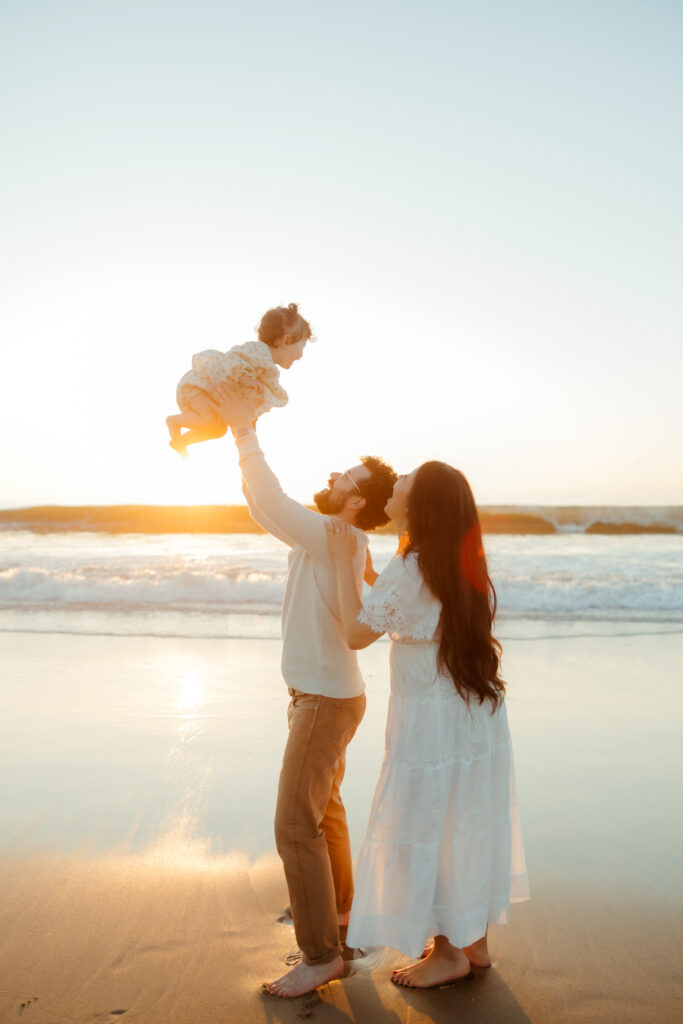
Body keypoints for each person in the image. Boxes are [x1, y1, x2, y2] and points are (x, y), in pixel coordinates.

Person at [214, 382, 397, 998]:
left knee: (294, 824)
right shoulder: (329, 533)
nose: (333, 479)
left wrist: (245, 429)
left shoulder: (333, 536)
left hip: (324, 700)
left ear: (357, 501)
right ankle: (339, 922)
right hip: (327, 697)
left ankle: (320, 956)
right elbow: (264, 507)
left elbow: (270, 497)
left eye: (344, 479)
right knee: (325, 815)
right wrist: (241, 441)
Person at [326, 462, 530, 989]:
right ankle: (473, 940)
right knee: (467, 818)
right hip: (472, 714)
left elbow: (355, 632)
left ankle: (447, 952)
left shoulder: (412, 565)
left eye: (405, 483)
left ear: (421, 506)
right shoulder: (448, 563)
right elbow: (412, 607)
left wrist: (348, 566)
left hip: (432, 721)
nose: (394, 484)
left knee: (433, 821)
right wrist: (376, 573)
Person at [166, 302, 312, 457]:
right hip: (199, 386)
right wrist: (247, 379)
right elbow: (233, 360)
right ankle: (174, 421)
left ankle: (181, 442)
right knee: (209, 421)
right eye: (302, 347)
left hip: (210, 393)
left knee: (218, 430)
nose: (301, 355)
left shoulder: (269, 370)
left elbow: (248, 410)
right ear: (286, 341)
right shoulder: (259, 351)